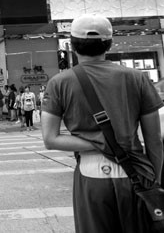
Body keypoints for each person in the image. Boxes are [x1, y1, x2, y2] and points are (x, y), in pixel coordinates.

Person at [41, 14, 163, 233]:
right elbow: (154, 140)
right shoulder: (137, 78)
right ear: (110, 43)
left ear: (71, 44)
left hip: (90, 176)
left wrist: (96, 143)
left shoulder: (59, 83)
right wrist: (155, 182)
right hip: (134, 175)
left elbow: (50, 139)